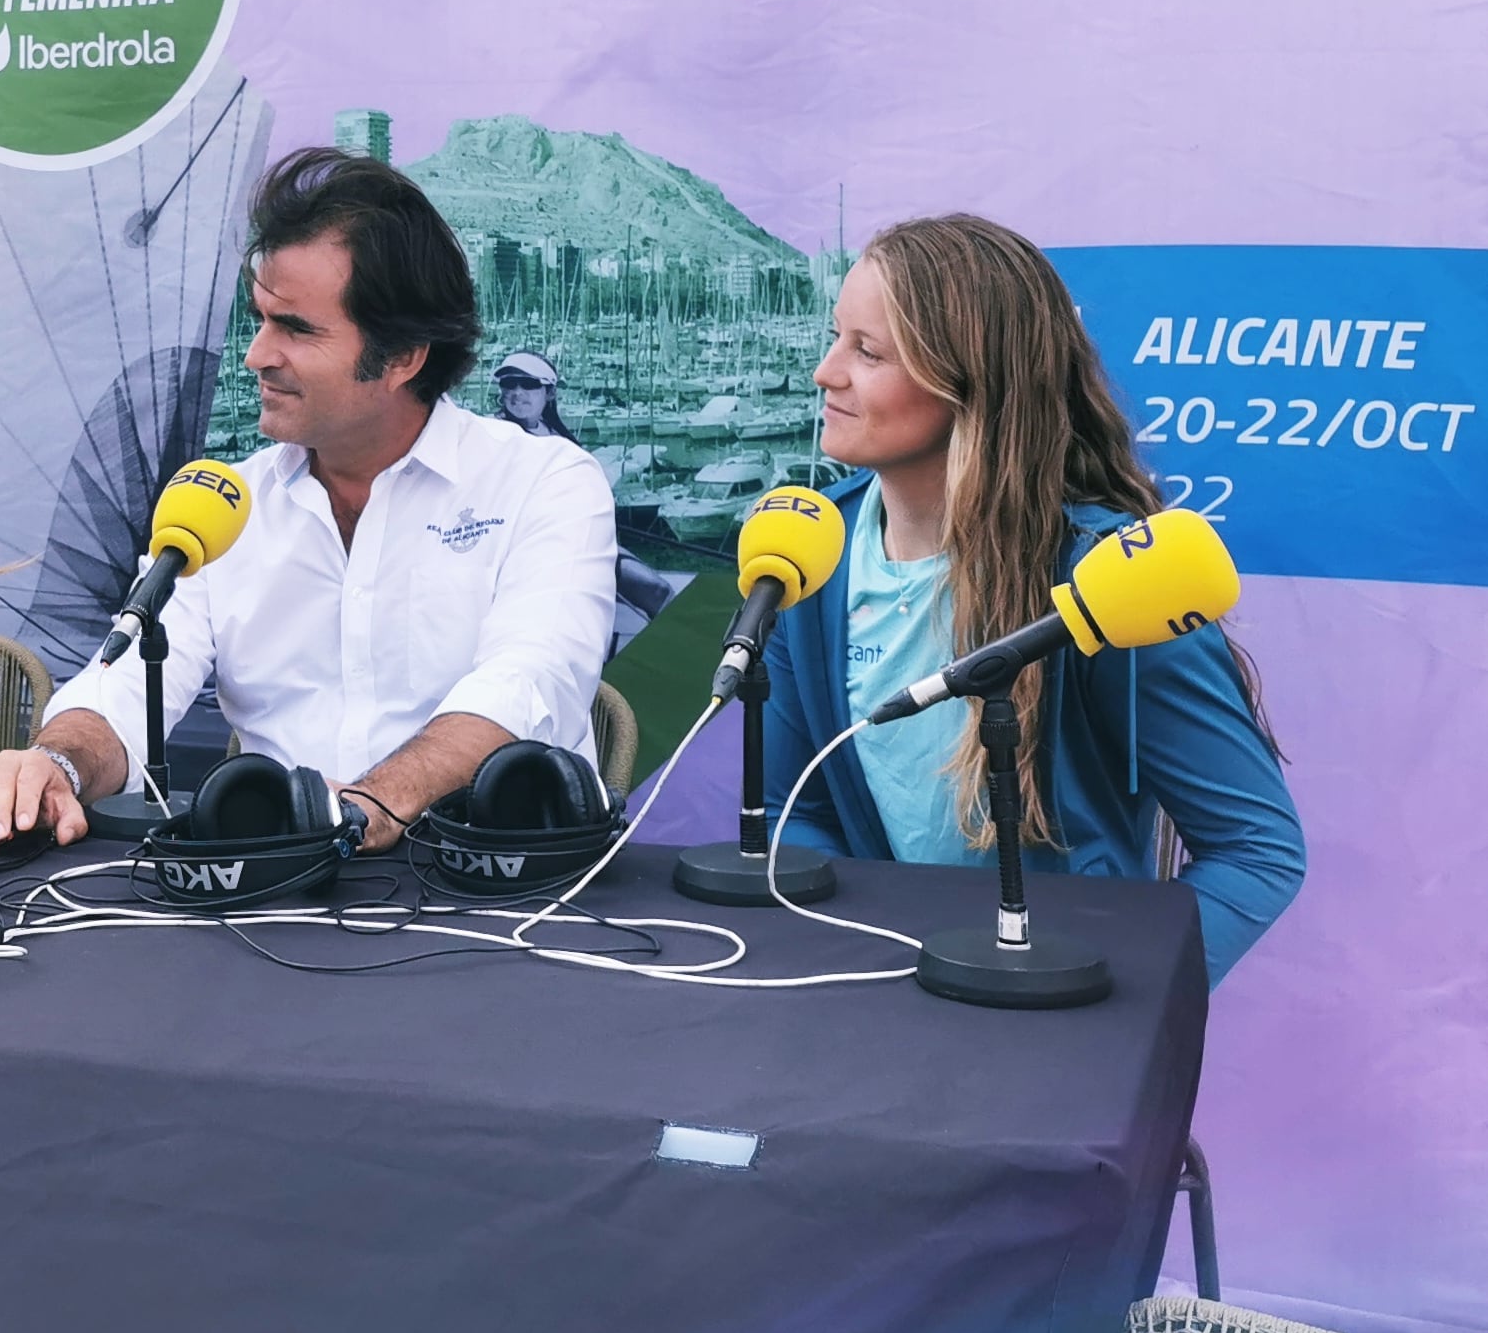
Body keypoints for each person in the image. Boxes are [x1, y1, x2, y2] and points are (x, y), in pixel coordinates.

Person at [0, 148, 618, 851]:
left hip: (500, 893)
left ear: (402, 355)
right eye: (260, 318)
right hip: (280, 899)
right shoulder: (227, 506)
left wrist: (371, 804)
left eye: (295, 328)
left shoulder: (547, 482)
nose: (257, 354)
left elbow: (530, 680)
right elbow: (129, 688)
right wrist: (55, 766)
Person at [766, 214, 1303, 986]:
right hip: (881, 1012)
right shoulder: (809, 554)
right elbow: (803, 816)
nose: (826, 372)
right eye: (836, 337)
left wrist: (1116, 1011)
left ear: (969, 380)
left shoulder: (1108, 583)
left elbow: (1257, 852)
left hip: (1053, 1037)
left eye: (868, 351)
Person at [492, 348, 675, 628]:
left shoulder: (555, 434)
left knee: (659, 592)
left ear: (549, 393)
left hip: (582, 541)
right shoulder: (496, 438)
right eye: (509, 384)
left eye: (528, 384)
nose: (517, 392)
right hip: (537, 550)